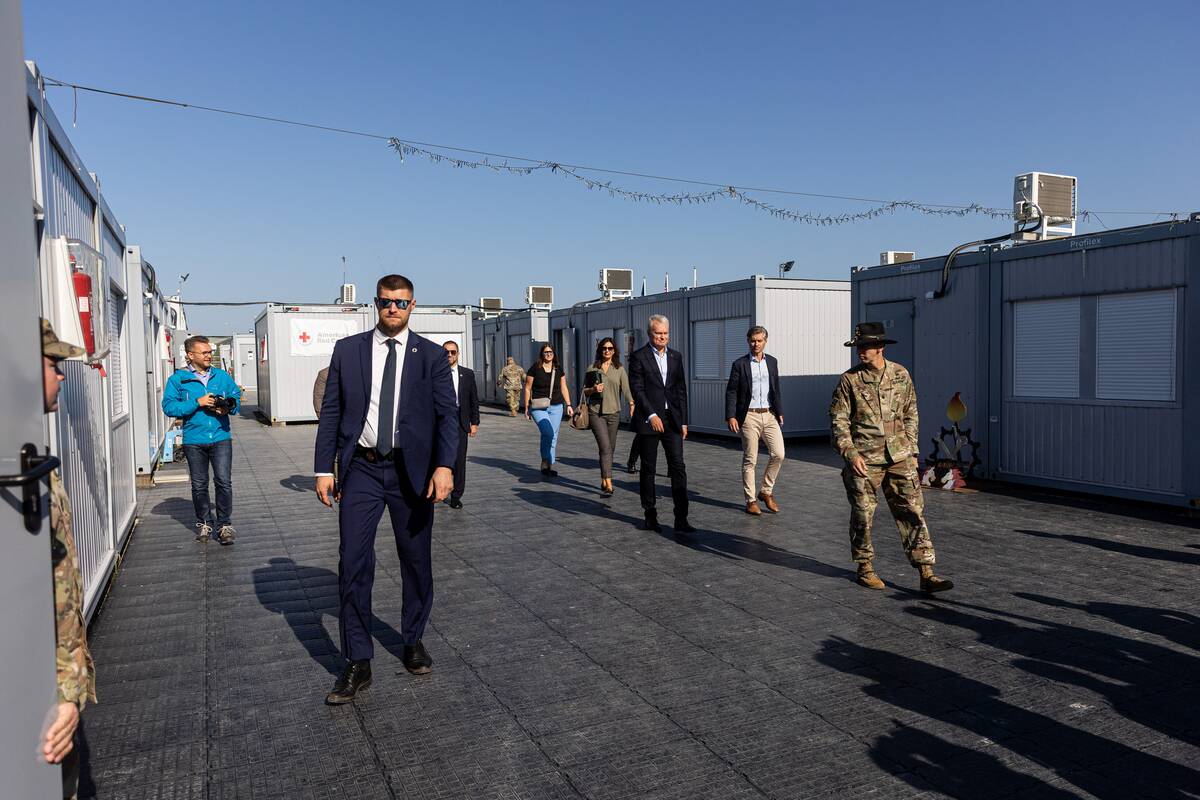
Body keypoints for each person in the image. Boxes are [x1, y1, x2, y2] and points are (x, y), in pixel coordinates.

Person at [314, 274, 458, 704]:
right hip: (362, 469)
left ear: (413, 305)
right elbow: (332, 411)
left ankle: (412, 638)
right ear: (375, 304)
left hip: (412, 473)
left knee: (415, 560)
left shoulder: (431, 356)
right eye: (385, 301)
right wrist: (323, 468)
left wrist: (444, 466)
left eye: (401, 302)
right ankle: (357, 660)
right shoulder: (349, 351)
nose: (393, 308)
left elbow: (447, 416)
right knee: (353, 561)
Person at [829, 322, 953, 594]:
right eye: (859, 347)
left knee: (912, 511)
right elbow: (838, 421)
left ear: (880, 347)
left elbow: (911, 413)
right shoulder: (850, 380)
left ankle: (926, 572)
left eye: (866, 346)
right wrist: (850, 454)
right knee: (863, 514)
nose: (861, 351)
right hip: (864, 459)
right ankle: (865, 568)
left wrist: (911, 449)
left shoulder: (900, 374)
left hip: (899, 456)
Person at [39, 319, 97, 800]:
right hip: (42, 696)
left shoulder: (32, 459)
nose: (61, 375)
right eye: (53, 364)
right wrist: (63, 692)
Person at [162, 335, 242, 545]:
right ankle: (205, 523)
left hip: (220, 436)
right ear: (190, 355)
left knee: (223, 482)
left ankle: (224, 525)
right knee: (199, 485)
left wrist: (227, 406)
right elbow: (169, 407)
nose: (209, 356)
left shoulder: (221, 376)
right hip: (194, 440)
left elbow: (236, 397)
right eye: (204, 352)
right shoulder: (178, 380)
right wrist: (197, 402)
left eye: (210, 352)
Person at [628, 315, 692, 533]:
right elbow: (637, 389)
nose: (662, 337)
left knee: (678, 466)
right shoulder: (639, 357)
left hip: (672, 419)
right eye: (658, 333)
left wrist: (684, 421)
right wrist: (651, 415)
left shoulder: (676, 356)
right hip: (649, 420)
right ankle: (650, 514)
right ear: (650, 334)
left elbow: (680, 390)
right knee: (649, 468)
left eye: (665, 333)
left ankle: (681, 518)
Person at [725, 326, 786, 515]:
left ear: (765, 341)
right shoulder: (740, 364)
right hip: (748, 415)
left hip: (769, 414)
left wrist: (779, 411)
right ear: (748, 341)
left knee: (779, 454)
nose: (756, 344)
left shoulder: (772, 362)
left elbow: (775, 388)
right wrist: (731, 415)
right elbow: (731, 391)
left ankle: (766, 491)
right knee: (750, 459)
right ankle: (750, 500)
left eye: (759, 341)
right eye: (753, 340)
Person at [581, 337, 634, 496]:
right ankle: (609, 483)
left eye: (610, 348)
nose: (607, 351)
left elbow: (626, 388)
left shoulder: (619, 368)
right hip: (596, 413)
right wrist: (593, 389)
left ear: (614, 351)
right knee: (605, 447)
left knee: (609, 449)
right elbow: (584, 391)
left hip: (613, 413)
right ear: (600, 350)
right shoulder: (592, 368)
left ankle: (604, 479)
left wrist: (632, 403)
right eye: (604, 348)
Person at [523, 344, 574, 477]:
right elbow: (527, 388)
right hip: (538, 407)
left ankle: (548, 465)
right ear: (542, 354)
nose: (548, 354)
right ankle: (545, 459)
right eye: (545, 352)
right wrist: (526, 407)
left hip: (556, 406)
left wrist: (569, 405)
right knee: (548, 432)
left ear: (554, 354)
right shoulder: (535, 368)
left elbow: (564, 387)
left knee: (553, 436)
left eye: (550, 352)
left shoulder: (558, 369)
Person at [444, 341, 479, 509]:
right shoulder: (435, 372)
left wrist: (475, 422)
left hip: (460, 420)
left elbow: (474, 400)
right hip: (441, 420)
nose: (449, 355)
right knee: (440, 456)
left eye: (453, 352)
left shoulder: (467, 374)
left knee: (459, 459)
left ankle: (456, 496)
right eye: (446, 352)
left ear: (458, 354)